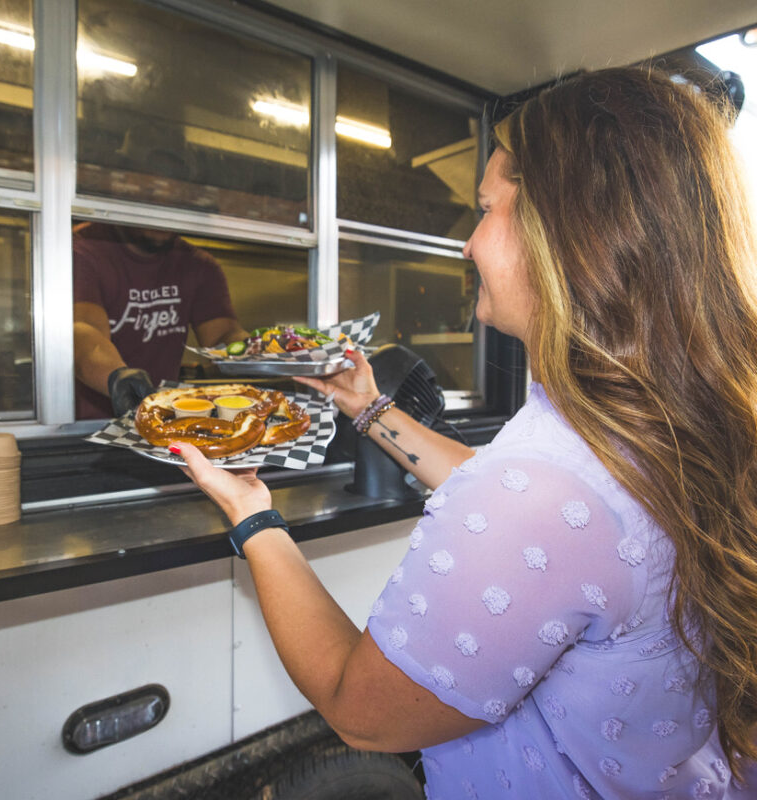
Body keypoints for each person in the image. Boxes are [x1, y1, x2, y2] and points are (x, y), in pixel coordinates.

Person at [170, 66, 757, 798]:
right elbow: (535, 509)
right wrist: (369, 409)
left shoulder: (542, 487)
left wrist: (251, 514)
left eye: (485, 209)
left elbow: (364, 714)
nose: (467, 243)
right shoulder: (665, 415)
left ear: (562, 230)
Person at [73, 222, 249, 418]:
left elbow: (221, 335)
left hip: (163, 417)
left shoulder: (197, 264)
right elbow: (83, 328)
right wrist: (117, 378)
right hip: (86, 425)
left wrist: (256, 347)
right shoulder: (84, 248)